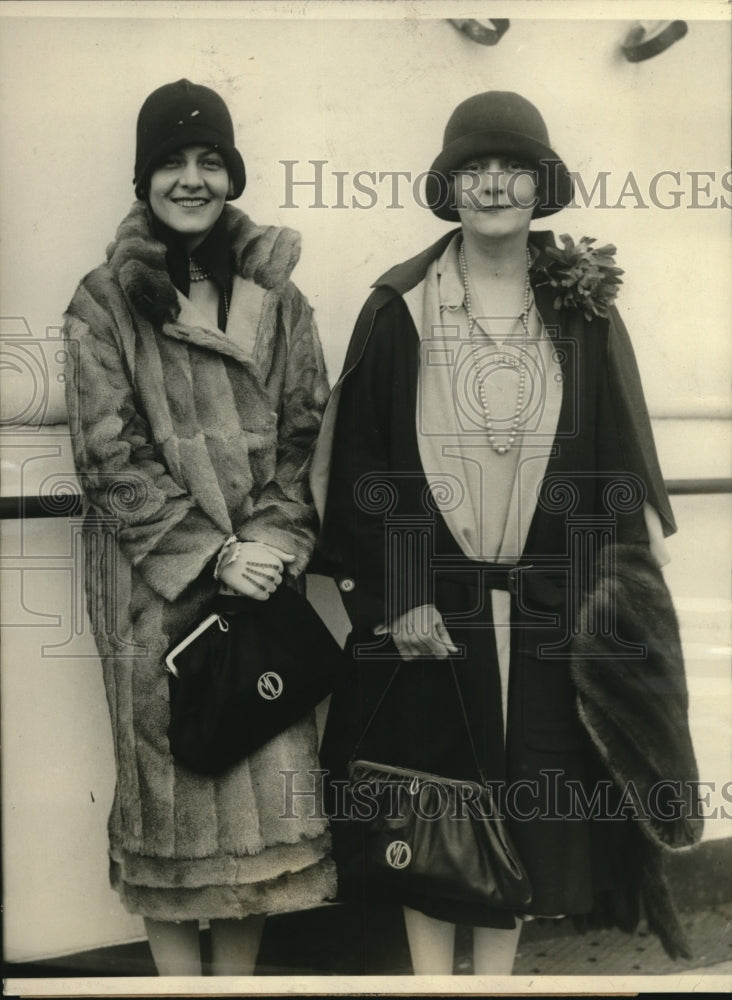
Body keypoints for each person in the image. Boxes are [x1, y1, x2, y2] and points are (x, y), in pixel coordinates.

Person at [311, 91, 702, 975]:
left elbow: (616, 459)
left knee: (522, 815)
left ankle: (493, 989)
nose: (494, 185)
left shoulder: (580, 309)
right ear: (450, 187)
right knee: (432, 810)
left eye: (512, 167)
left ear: (541, 185)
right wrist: (402, 594)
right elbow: (367, 466)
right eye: (475, 169)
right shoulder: (400, 307)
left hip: (543, 610)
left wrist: (604, 601)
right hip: (433, 609)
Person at [63, 79, 334, 976]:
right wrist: (213, 554)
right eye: (172, 163)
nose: (191, 180)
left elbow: (309, 433)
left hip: (263, 588)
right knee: (170, 824)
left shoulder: (280, 300)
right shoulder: (105, 301)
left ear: (232, 172)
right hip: (160, 596)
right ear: (144, 180)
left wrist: (271, 546)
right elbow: (108, 454)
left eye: (209, 160)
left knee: (264, 827)